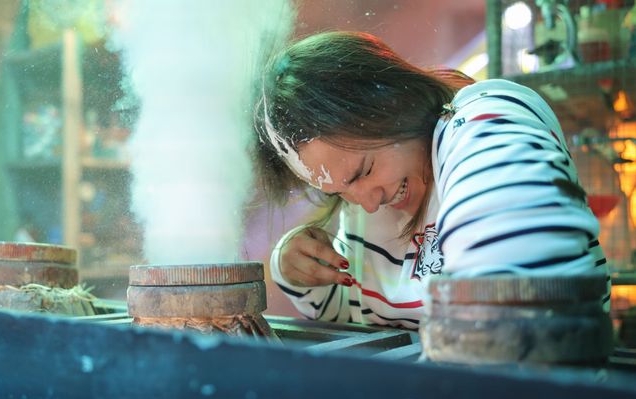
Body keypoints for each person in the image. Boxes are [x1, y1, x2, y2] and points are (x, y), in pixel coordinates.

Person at [254, 31, 609, 329]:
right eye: (338, 191)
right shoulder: (366, 206)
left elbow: (516, 277)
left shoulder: (483, 118)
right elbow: (355, 313)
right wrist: (295, 268)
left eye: (364, 172)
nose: (367, 201)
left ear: (394, 104)